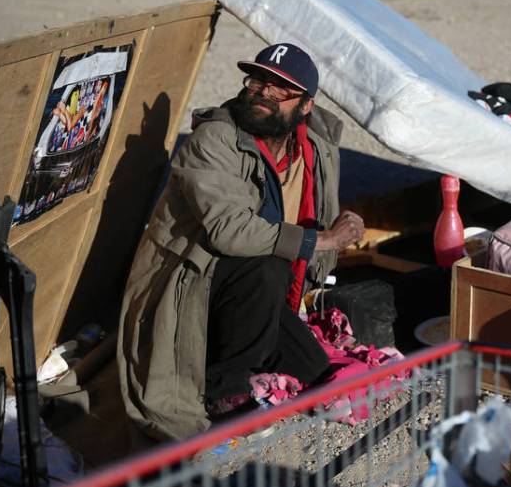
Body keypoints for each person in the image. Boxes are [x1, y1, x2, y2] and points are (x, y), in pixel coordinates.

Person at [117, 43, 364, 441]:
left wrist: (336, 231)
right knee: (266, 263)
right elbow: (230, 231)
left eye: (280, 88)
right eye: (258, 81)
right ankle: (225, 391)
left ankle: (253, 355)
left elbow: (316, 235)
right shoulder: (213, 141)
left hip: (256, 290)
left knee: (316, 370)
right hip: (195, 282)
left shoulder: (315, 150)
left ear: (305, 106)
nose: (264, 92)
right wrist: (324, 239)